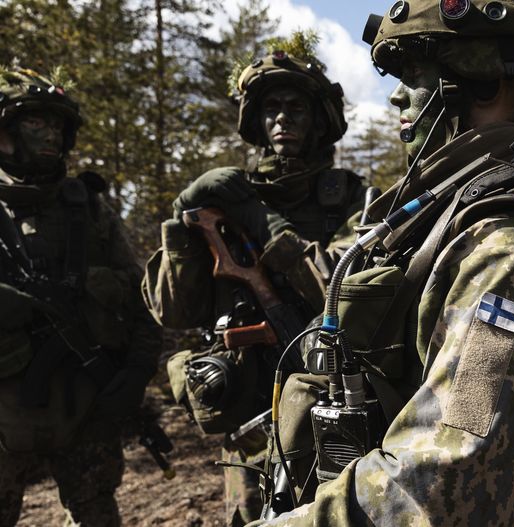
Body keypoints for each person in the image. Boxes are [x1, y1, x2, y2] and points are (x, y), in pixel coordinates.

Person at [256, 0, 514, 525]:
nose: (397, 93)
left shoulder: (512, 249)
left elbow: (446, 486)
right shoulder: (440, 215)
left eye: (415, 75)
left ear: (482, 86)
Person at [141, 51, 363, 526]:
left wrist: (264, 222)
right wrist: (181, 223)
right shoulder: (223, 201)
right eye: (271, 108)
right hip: (249, 417)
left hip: (333, 405)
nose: (282, 118)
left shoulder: (349, 198)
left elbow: (337, 285)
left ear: (320, 120)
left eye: (296, 108)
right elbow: (175, 312)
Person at [0, 67, 161, 526]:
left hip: (84, 403)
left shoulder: (88, 209)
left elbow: (140, 298)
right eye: (35, 123)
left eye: (57, 126)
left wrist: (135, 373)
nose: (50, 134)